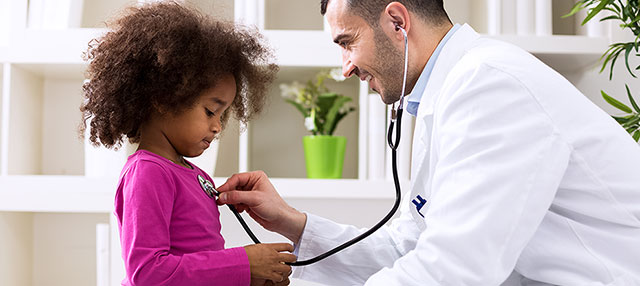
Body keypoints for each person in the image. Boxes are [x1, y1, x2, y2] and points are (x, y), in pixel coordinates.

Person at [216, 0, 640, 285]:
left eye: (347, 42)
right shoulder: (448, 90)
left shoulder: (489, 84)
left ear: (397, 22)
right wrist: (292, 222)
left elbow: (454, 269)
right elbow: (410, 246)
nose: (344, 67)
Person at [79, 3, 296, 285]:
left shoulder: (195, 175)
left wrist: (251, 277)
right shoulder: (147, 173)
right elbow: (147, 274)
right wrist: (243, 262)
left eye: (222, 114)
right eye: (210, 111)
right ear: (163, 98)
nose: (217, 126)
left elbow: (197, 266)